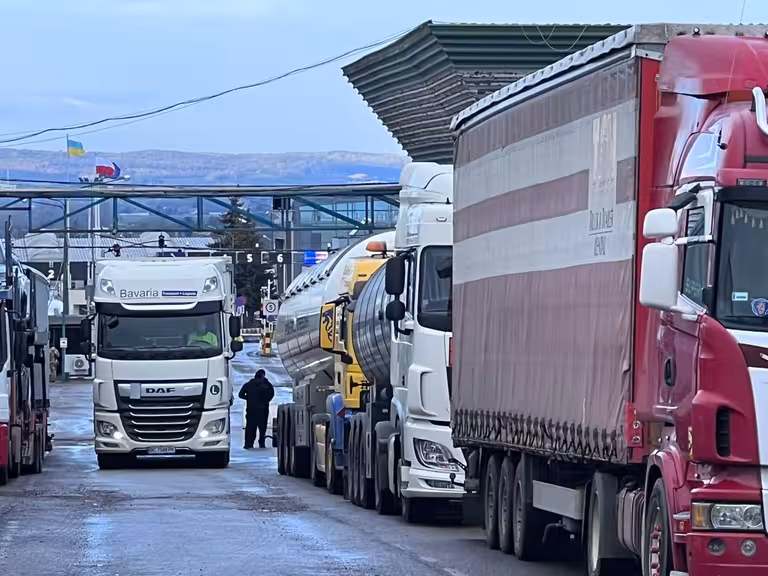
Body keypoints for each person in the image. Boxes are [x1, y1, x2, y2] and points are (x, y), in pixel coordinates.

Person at [238, 369, 274, 448]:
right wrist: (265, 401)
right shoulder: (267, 385)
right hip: (262, 410)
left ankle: (248, 443)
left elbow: (240, 394)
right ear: (263, 376)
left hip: (251, 410)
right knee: (262, 427)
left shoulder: (248, 384)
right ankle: (261, 442)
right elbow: (271, 394)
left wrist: (248, 398)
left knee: (250, 427)